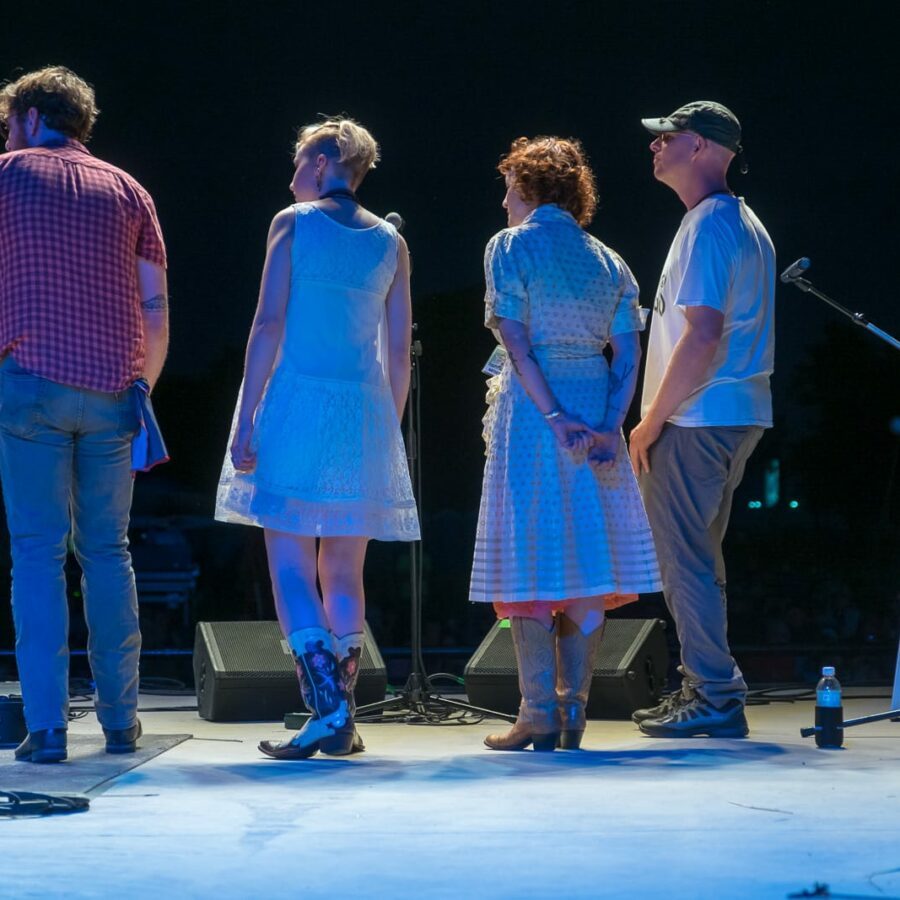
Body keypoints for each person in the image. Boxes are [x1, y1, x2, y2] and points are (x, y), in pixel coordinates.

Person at [215, 118, 419, 759]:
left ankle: (328, 710)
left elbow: (268, 322)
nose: (293, 174)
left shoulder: (292, 223)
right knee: (345, 570)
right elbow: (399, 353)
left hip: (297, 404)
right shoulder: (392, 243)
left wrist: (246, 416)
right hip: (362, 412)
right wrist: (387, 429)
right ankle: (343, 718)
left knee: (291, 566)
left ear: (330, 160)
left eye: (301, 160)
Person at [469, 137, 662, 752]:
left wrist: (551, 414)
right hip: (592, 396)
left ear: (527, 188)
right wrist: (610, 424)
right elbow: (629, 350)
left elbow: (517, 339)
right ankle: (572, 713)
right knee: (585, 557)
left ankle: (536, 714)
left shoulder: (510, 245)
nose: (503, 201)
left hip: (536, 407)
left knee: (529, 552)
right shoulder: (608, 259)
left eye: (508, 188)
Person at [0, 67, 169, 762]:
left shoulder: (6, 175)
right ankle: (122, 725)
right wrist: (142, 386)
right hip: (113, 393)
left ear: (33, 116)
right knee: (109, 553)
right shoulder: (130, 189)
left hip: (31, 386)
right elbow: (155, 305)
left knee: (38, 556)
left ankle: (45, 731)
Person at [629, 101, 775, 738]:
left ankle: (714, 694)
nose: (656, 146)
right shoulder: (730, 223)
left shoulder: (712, 225)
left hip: (698, 418)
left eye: (670, 136)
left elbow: (702, 335)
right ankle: (706, 685)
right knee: (698, 559)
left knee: (683, 559)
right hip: (728, 414)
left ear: (707, 148)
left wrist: (651, 419)